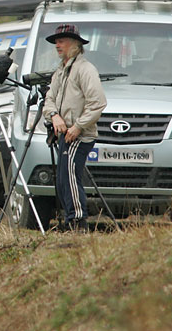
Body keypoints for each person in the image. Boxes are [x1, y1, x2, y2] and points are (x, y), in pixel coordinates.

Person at [42, 24, 107, 232]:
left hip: (80, 135)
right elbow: (48, 100)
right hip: (65, 134)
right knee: (63, 179)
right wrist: (54, 116)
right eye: (56, 42)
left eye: (61, 41)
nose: (57, 45)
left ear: (75, 44)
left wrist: (78, 126)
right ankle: (71, 221)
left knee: (69, 176)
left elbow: (98, 103)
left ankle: (78, 222)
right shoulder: (60, 70)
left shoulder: (85, 69)